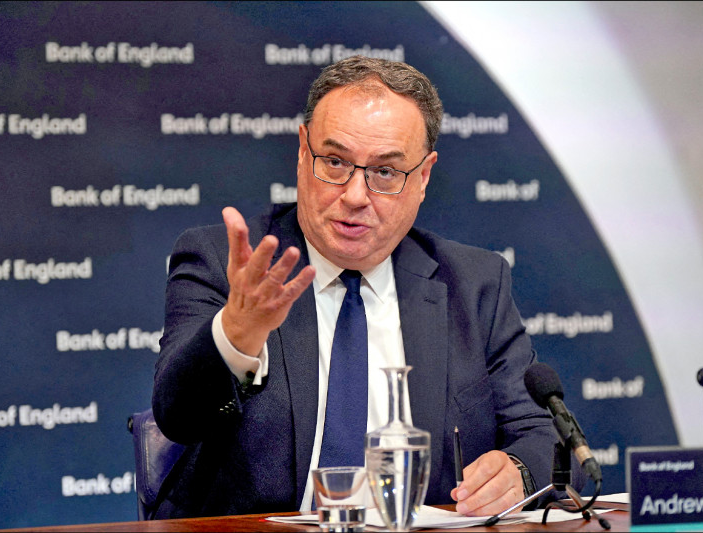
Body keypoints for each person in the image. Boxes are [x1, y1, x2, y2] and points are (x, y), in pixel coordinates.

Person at [153, 55, 571, 520]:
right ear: (302, 152)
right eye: (334, 162)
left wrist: (518, 472)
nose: (354, 196)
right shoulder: (226, 262)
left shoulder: (473, 285)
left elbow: (541, 433)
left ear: (423, 177)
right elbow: (178, 416)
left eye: (385, 172)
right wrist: (236, 333)